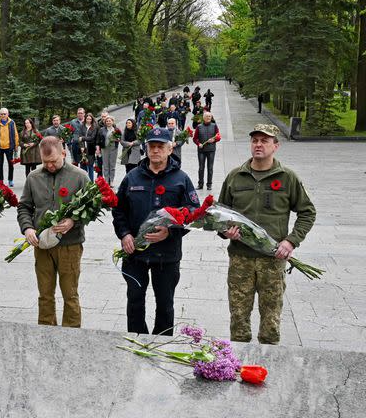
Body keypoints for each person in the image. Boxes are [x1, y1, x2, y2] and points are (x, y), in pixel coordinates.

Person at [219, 124, 316, 345]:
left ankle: (266, 366)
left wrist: (291, 242)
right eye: (255, 140)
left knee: (271, 321)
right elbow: (220, 214)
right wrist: (225, 232)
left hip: (273, 260)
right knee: (238, 319)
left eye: (264, 140)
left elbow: (307, 212)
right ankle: (237, 366)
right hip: (240, 259)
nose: (258, 145)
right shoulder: (235, 176)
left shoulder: (287, 178)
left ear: (276, 145)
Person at [112, 127, 200, 336]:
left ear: (170, 149)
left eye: (161, 146)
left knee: (165, 305)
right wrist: (124, 234)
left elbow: (194, 213)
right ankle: (136, 340)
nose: (156, 150)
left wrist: (170, 232)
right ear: (146, 148)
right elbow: (118, 209)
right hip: (135, 254)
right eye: (152, 146)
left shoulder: (181, 179)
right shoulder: (132, 177)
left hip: (166, 256)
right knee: (134, 302)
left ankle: (162, 344)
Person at [17, 135, 90, 328]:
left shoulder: (79, 176)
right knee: (45, 294)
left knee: (70, 294)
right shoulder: (33, 177)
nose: (49, 166)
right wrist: (28, 228)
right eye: (45, 162)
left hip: (70, 245)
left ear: (64, 153)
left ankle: (72, 334)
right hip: (42, 245)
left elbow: (91, 208)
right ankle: (46, 332)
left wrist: (73, 221)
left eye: (54, 161)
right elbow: (24, 206)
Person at [193, 111, 220, 191]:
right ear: (203, 118)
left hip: (211, 150)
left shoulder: (214, 126)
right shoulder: (199, 126)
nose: (208, 118)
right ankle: (200, 184)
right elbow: (195, 138)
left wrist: (214, 140)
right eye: (207, 116)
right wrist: (198, 144)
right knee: (201, 168)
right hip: (201, 150)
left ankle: (209, 184)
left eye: (209, 116)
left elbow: (218, 136)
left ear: (211, 118)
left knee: (210, 168)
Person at [0, 107, 19, 187]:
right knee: (0, 164)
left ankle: (10, 180)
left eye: (4, 114)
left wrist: (16, 145)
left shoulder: (12, 123)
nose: (3, 115)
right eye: (1, 114)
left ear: (8, 114)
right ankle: (1, 180)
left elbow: (15, 134)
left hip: (9, 147)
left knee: (11, 164)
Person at [98, 115, 120, 186]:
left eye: (110, 121)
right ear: (105, 122)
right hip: (104, 149)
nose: (108, 122)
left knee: (112, 165)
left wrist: (118, 139)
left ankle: (112, 180)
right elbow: (98, 140)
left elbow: (120, 138)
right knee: (106, 165)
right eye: (107, 121)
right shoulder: (102, 129)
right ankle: (107, 180)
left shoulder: (116, 130)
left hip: (113, 149)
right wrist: (98, 148)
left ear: (112, 122)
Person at [79, 112, 100, 181]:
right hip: (83, 149)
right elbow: (80, 137)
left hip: (90, 148)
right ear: (85, 119)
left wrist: (83, 138)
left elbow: (92, 138)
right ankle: (84, 181)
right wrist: (81, 146)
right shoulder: (82, 125)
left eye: (90, 119)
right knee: (83, 166)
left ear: (92, 119)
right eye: (87, 119)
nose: (88, 120)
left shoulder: (95, 127)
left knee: (90, 166)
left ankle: (91, 181)